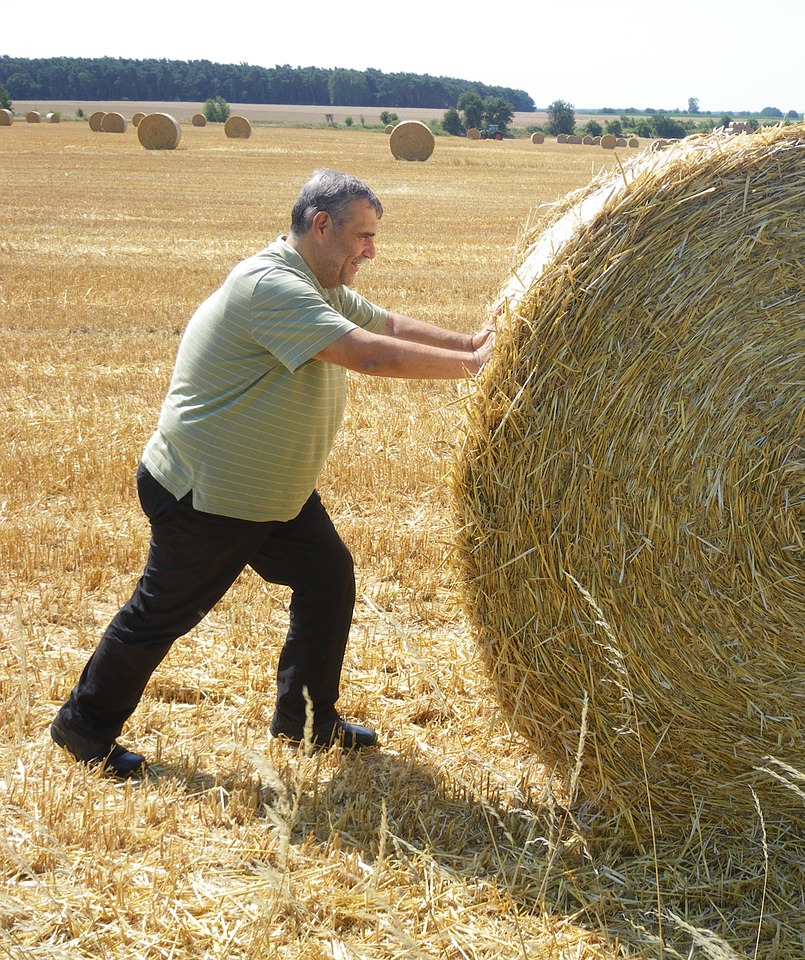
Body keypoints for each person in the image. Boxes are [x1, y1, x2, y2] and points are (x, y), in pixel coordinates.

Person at [50, 169, 495, 776]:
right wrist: (474, 369)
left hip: (268, 493)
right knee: (163, 612)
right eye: (363, 235)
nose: (371, 250)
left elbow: (385, 325)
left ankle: (305, 720)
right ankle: (83, 725)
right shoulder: (272, 286)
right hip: (209, 491)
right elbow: (366, 353)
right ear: (322, 226)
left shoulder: (321, 281)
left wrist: (472, 344)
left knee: (327, 577)